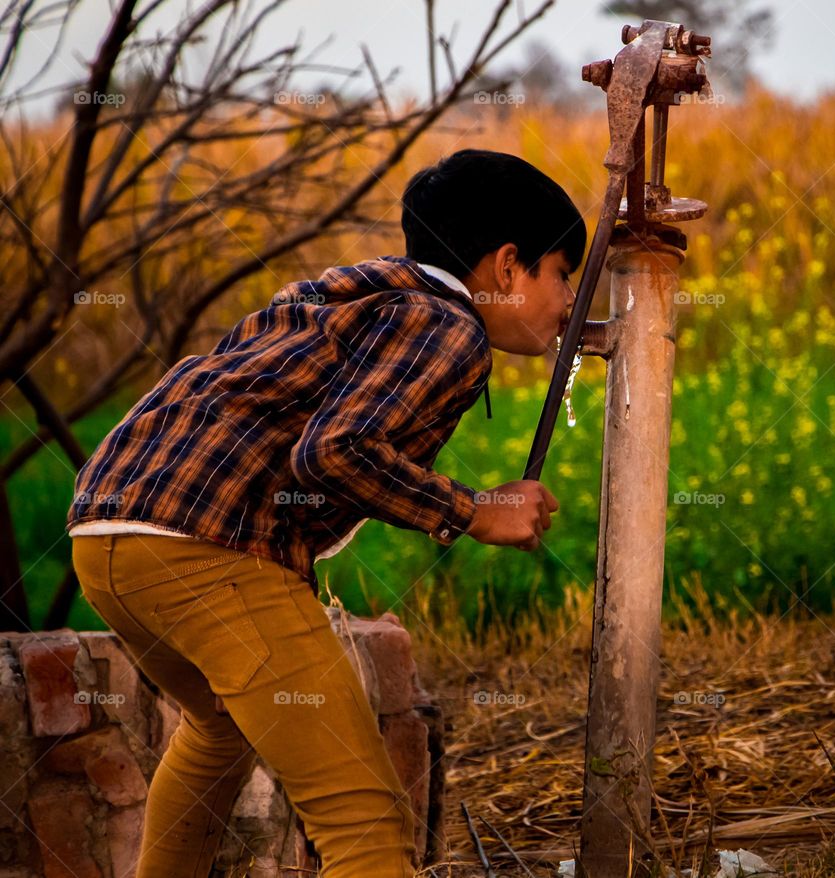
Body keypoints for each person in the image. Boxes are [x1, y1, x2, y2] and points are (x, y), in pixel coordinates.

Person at [66, 148, 586, 878]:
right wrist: (472, 510)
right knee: (365, 821)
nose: (569, 303)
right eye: (563, 275)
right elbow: (334, 452)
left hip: (108, 534)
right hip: (209, 547)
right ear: (507, 266)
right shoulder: (449, 326)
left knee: (218, 730)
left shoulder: (351, 295)